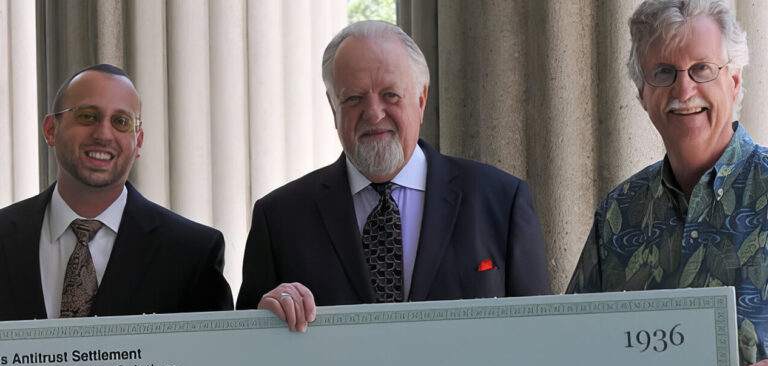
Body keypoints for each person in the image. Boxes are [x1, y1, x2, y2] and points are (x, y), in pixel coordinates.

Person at [566, 0, 768, 366]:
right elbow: (571, 350)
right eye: (663, 73)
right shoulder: (618, 215)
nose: (683, 90)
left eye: (702, 69)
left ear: (736, 81)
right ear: (642, 95)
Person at [236, 20, 551, 331]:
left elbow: (539, 338)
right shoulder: (279, 220)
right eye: (354, 99)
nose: (373, 113)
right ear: (334, 108)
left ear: (421, 99)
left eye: (390, 95)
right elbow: (243, 358)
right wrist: (262, 324)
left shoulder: (501, 202)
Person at [0, 64, 233, 320]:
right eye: (87, 116)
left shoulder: (192, 254)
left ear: (138, 141)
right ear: (50, 130)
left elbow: (215, 357)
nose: (103, 134)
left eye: (121, 122)